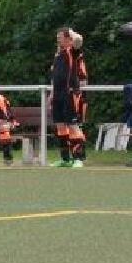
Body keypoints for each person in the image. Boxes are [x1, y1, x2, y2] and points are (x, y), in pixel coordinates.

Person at [49, 27, 87, 167]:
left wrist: (71, 32)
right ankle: (65, 159)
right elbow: (55, 77)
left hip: (70, 93)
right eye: (57, 37)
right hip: (57, 95)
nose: (58, 40)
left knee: (72, 125)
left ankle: (78, 158)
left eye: (60, 37)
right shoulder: (58, 54)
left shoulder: (73, 51)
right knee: (60, 126)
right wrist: (51, 94)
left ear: (68, 39)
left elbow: (79, 40)